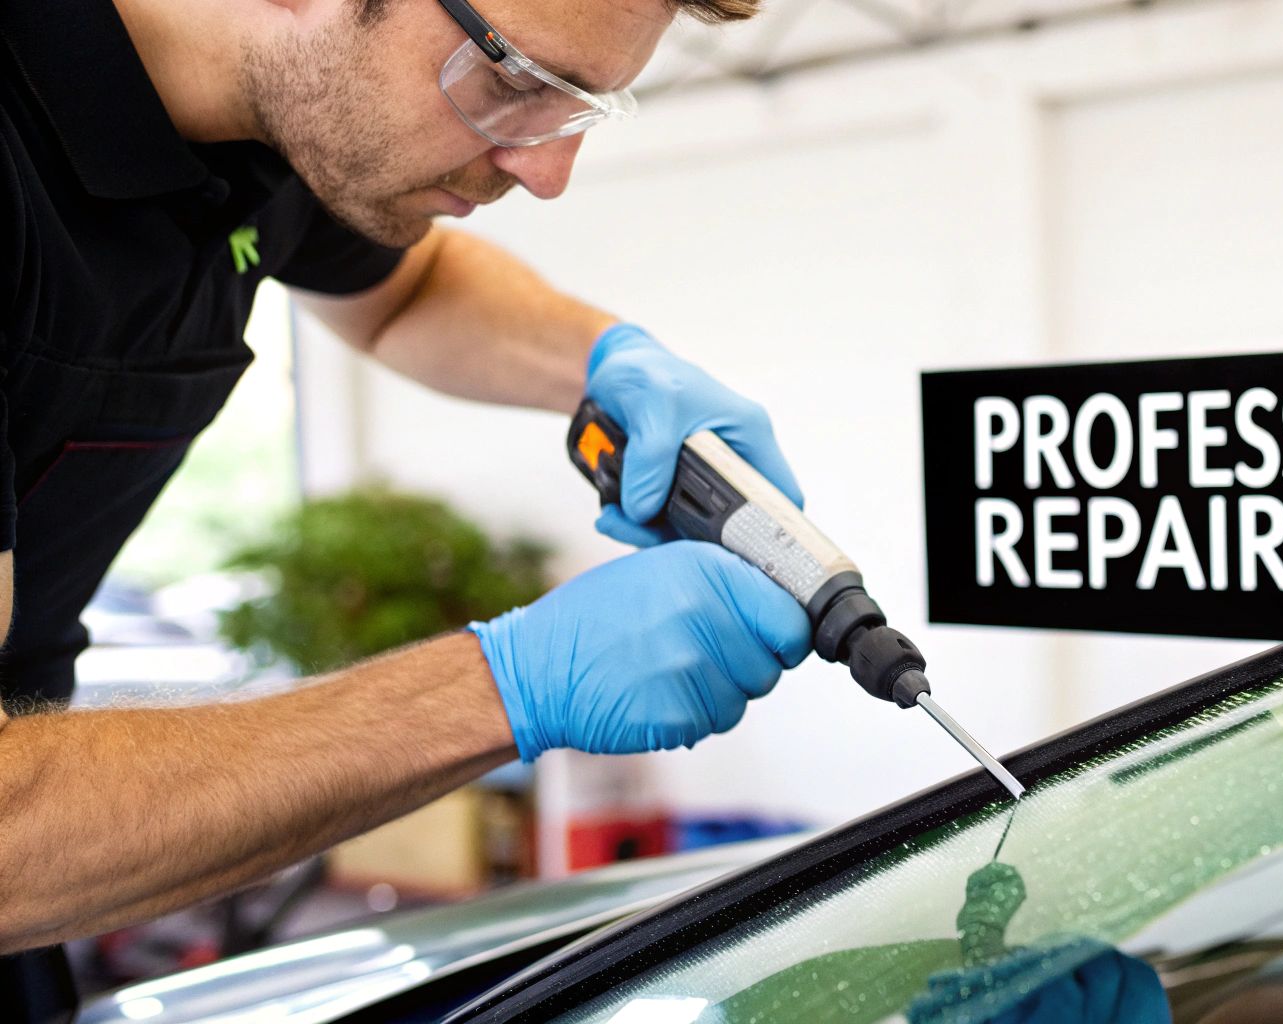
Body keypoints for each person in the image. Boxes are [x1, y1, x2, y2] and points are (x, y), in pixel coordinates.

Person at [0, 0, 807, 1012]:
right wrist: (503, 688)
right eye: (514, 79)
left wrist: (611, 363)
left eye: (578, 109)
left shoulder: (274, 115)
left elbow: (403, 292)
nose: (547, 176)